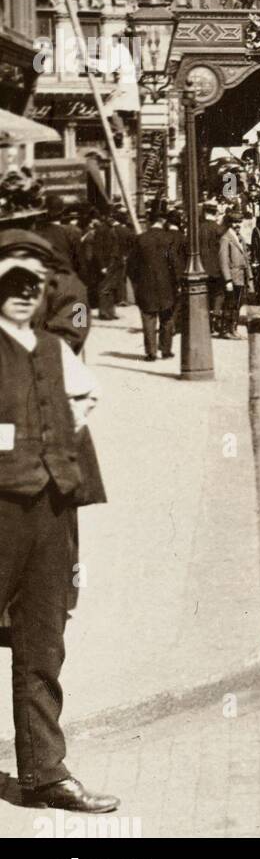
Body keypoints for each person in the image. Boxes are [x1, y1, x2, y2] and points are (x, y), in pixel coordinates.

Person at [0, 229, 117, 815]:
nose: (23, 293)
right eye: (11, 281)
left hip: (50, 512)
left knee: (43, 642)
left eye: (33, 283)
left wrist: (57, 452)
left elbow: (84, 401)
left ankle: (45, 772)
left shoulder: (53, 349)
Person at [127, 209, 179, 360]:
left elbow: (131, 266)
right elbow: (174, 263)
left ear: (150, 221)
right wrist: (177, 282)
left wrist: (137, 282)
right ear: (163, 222)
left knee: (148, 318)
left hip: (145, 285)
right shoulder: (169, 239)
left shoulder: (141, 239)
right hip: (167, 284)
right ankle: (166, 350)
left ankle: (151, 352)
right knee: (167, 317)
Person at [218, 214, 249, 339]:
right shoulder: (226, 238)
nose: (237, 225)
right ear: (230, 223)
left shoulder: (240, 237)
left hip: (241, 277)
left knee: (237, 304)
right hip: (232, 277)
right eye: (235, 222)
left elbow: (246, 258)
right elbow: (223, 260)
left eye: (239, 222)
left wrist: (249, 277)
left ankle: (233, 329)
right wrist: (227, 279)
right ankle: (226, 330)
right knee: (229, 304)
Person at [198, 201, 225, 335]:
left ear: (204, 213)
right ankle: (215, 318)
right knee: (219, 294)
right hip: (216, 268)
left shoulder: (197, 229)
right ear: (215, 213)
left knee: (205, 295)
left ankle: (207, 322)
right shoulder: (219, 229)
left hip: (200, 268)